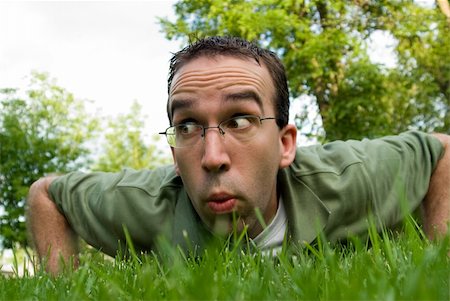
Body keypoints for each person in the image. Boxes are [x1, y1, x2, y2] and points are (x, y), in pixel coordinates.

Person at [27, 36, 450, 275]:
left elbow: (442, 151)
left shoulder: (350, 177)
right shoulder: (142, 202)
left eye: (240, 120)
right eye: (188, 126)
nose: (212, 157)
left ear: (285, 144)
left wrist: (436, 264)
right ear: (174, 155)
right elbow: (47, 194)